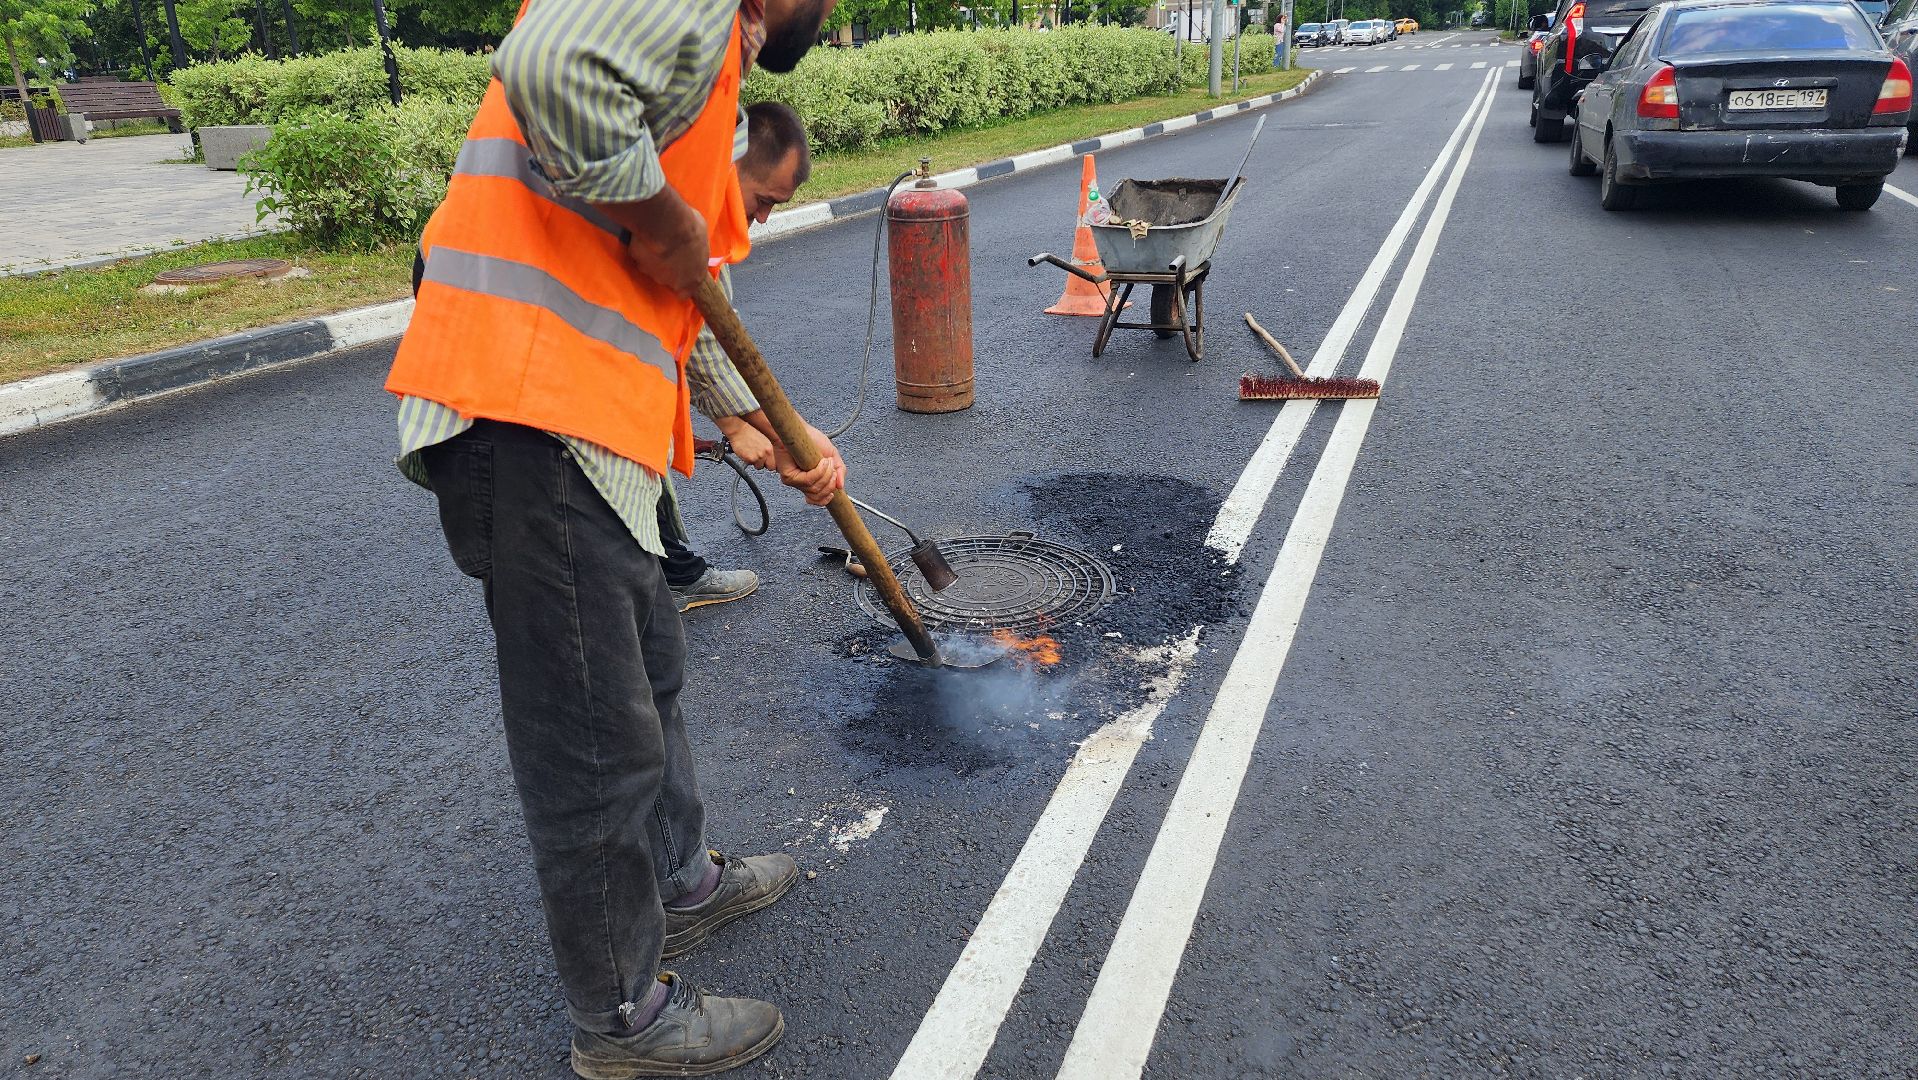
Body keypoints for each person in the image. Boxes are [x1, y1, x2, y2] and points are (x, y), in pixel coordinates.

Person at [383, 1, 840, 1076]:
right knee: (592, 746)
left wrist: (759, 421)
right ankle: (622, 1022)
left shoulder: (715, 62)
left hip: (590, 436)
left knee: (651, 674)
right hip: (526, 413)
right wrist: (669, 223)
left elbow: (674, 277)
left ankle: (681, 884)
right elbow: (551, 67)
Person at [663, 100, 814, 614]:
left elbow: (698, 334)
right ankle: (662, 570)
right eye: (766, 198)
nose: (766, 218)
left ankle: (668, 567)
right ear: (732, 164)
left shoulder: (700, 203)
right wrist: (784, 432)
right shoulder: (687, 202)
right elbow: (705, 338)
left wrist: (746, 426)